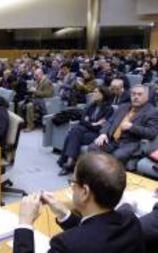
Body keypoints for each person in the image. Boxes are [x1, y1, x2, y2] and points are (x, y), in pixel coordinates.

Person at [13, 152, 145, 253]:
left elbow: (86, 239)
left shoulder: (66, 245)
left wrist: (25, 224)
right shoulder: (131, 221)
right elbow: (96, 231)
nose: (71, 185)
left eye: (73, 182)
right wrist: (63, 213)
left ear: (85, 192)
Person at [90, 85, 158, 166]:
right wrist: (103, 133)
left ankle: (105, 177)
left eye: (139, 94)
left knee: (116, 156)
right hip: (111, 140)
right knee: (93, 147)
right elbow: (110, 122)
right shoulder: (123, 106)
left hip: (130, 143)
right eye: (133, 94)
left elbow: (151, 132)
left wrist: (131, 127)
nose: (136, 97)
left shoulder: (152, 112)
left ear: (147, 96)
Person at [57, 86, 113, 176]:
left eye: (96, 92)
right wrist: (93, 124)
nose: (93, 94)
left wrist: (89, 122)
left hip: (97, 134)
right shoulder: (91, 105)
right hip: (86, 129)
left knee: (72, 134)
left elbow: (100, 127)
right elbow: (82, 120)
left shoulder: (109, 109)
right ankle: (69, 163)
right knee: (75, 131)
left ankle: (68, 162)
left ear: (103, 95)